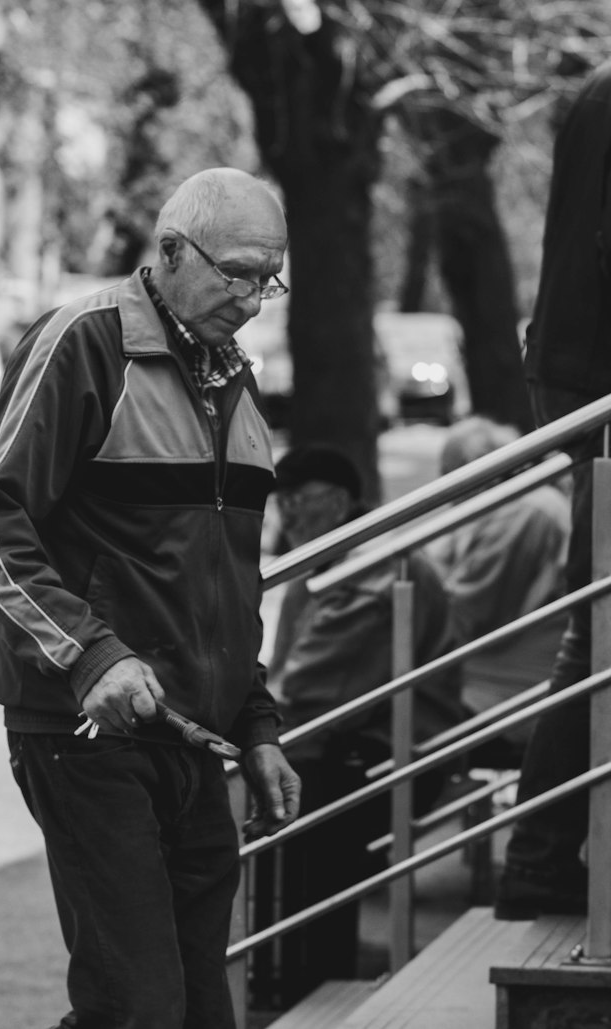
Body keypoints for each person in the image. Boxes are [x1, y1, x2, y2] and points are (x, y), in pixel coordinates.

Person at [0, 167, 301, 1029]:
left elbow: (224, 588)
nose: (255, 299)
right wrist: (88, 652)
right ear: (173, 250)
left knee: (199, 1007)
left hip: (194, 741)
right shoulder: (83, 340)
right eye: (238, 273)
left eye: (270, 277)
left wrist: (255, 722)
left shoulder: (233, 376)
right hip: (87, 729)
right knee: (136, 1004)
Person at [265, 444, 462, 1009]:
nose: (292, 518)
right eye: (285, 504)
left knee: (272, 783)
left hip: (385, 755)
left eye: (302, 502)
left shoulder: (366, 571)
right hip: (361, 746)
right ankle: (289, 977)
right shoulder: (340, 562)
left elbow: (314, 694)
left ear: (343, 501)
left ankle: (301, 982)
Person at [494, 60, 611, 920]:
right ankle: (536, 858)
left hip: (574, 372)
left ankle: (538, 856)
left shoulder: (599, 92)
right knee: (595, 626)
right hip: (595, 380)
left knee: (595, 623)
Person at [426, 416, 569, 757]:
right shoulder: (517, 508)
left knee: (377, 719)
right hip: (495, 684)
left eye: (452, 475)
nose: (449, 494)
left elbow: (468, 613)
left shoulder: (525, 511)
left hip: (507, 696)